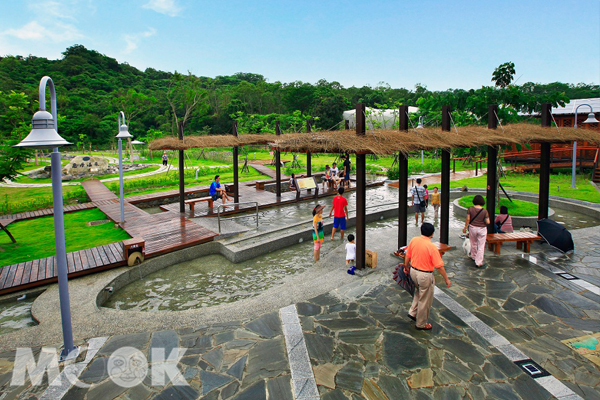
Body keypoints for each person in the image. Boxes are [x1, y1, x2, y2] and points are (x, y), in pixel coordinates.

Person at [404, 223, 451, 330]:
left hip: (413, 271)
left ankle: (412, 312)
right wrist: (446, 279)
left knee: (418, 291)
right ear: (432, 234)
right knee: (425, 299)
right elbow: (439, 266)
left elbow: (408, 255)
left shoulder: (414, 240)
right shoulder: (431, 247)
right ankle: (421, 324)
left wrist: (406, 267)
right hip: (425, 275)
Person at [463, 195, 490, 268]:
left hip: (472, 228)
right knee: (481, 245)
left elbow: (468, 219)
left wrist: (465, 227)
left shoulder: (470, 209)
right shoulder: (485, 211)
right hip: (482, 229)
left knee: (473, 243)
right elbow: (488, 222)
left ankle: (473, 256)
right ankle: (479, 262)